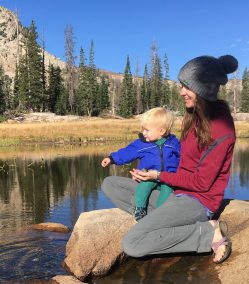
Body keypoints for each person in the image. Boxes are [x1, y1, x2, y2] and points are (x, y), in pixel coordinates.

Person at [102, 55, 238, 264]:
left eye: (186, 86)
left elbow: (202, 183)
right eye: (181, 86)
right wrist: (151, 176)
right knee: (110, 184)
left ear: (203, 88)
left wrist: (160, 176)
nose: (181, 92)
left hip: (198, 201)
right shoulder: (194, 115)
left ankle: (207, 233)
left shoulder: (221, 128)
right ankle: (161, 222)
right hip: (177, 193)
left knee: (132, 243)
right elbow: (181, 162)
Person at [101, 107, 181, 220]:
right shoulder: (142, 144)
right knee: (144, 187)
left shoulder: (174, 143)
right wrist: (112, 158)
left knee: (167, 192)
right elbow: (128, 152)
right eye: (143, 129)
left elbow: (183, 157)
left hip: (168, 178)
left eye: (147, 130)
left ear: (161, 131)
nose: (143, 133)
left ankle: (160, 215)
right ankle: (139, 209)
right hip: (148, 176)